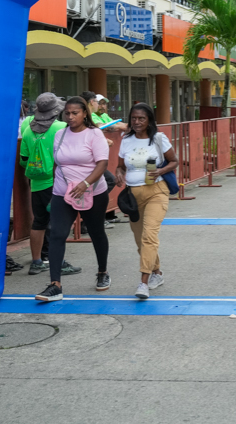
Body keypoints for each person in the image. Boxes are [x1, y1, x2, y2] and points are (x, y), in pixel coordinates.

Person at [35, 96, 112, 302]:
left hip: (93, 191)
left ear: (85, 113)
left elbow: (102, 164)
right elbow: (57, 165)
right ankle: (55, 285)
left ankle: (102, 272)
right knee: (58, 234)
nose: (70, 117)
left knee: (96, 233)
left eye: (74, 113)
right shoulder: (60, 135)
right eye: (67, 113)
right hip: (63, 192)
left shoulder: (95, 134)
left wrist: (85, 184)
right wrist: (54, 192)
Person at [116, 102, 179, 299]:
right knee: (140, 241)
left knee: (149, 236)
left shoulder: (159, 139)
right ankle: (156, 272)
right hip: (133, 196)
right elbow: (120, 166)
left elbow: (174, 161)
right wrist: (118, 173)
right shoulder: (126, 140)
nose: (136, 122)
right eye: (134, 118)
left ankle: (143, 283)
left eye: (141, 118)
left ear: (149, 120)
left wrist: (160, 170)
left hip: (156, 191)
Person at [19, 93, 81, 276]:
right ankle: (59, 262)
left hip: (36, 182)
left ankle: (37, 262)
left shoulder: (27, 129)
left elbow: (24, 159)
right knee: (58, 223)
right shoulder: (62, 128)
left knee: (38, 222)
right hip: (57, 182)